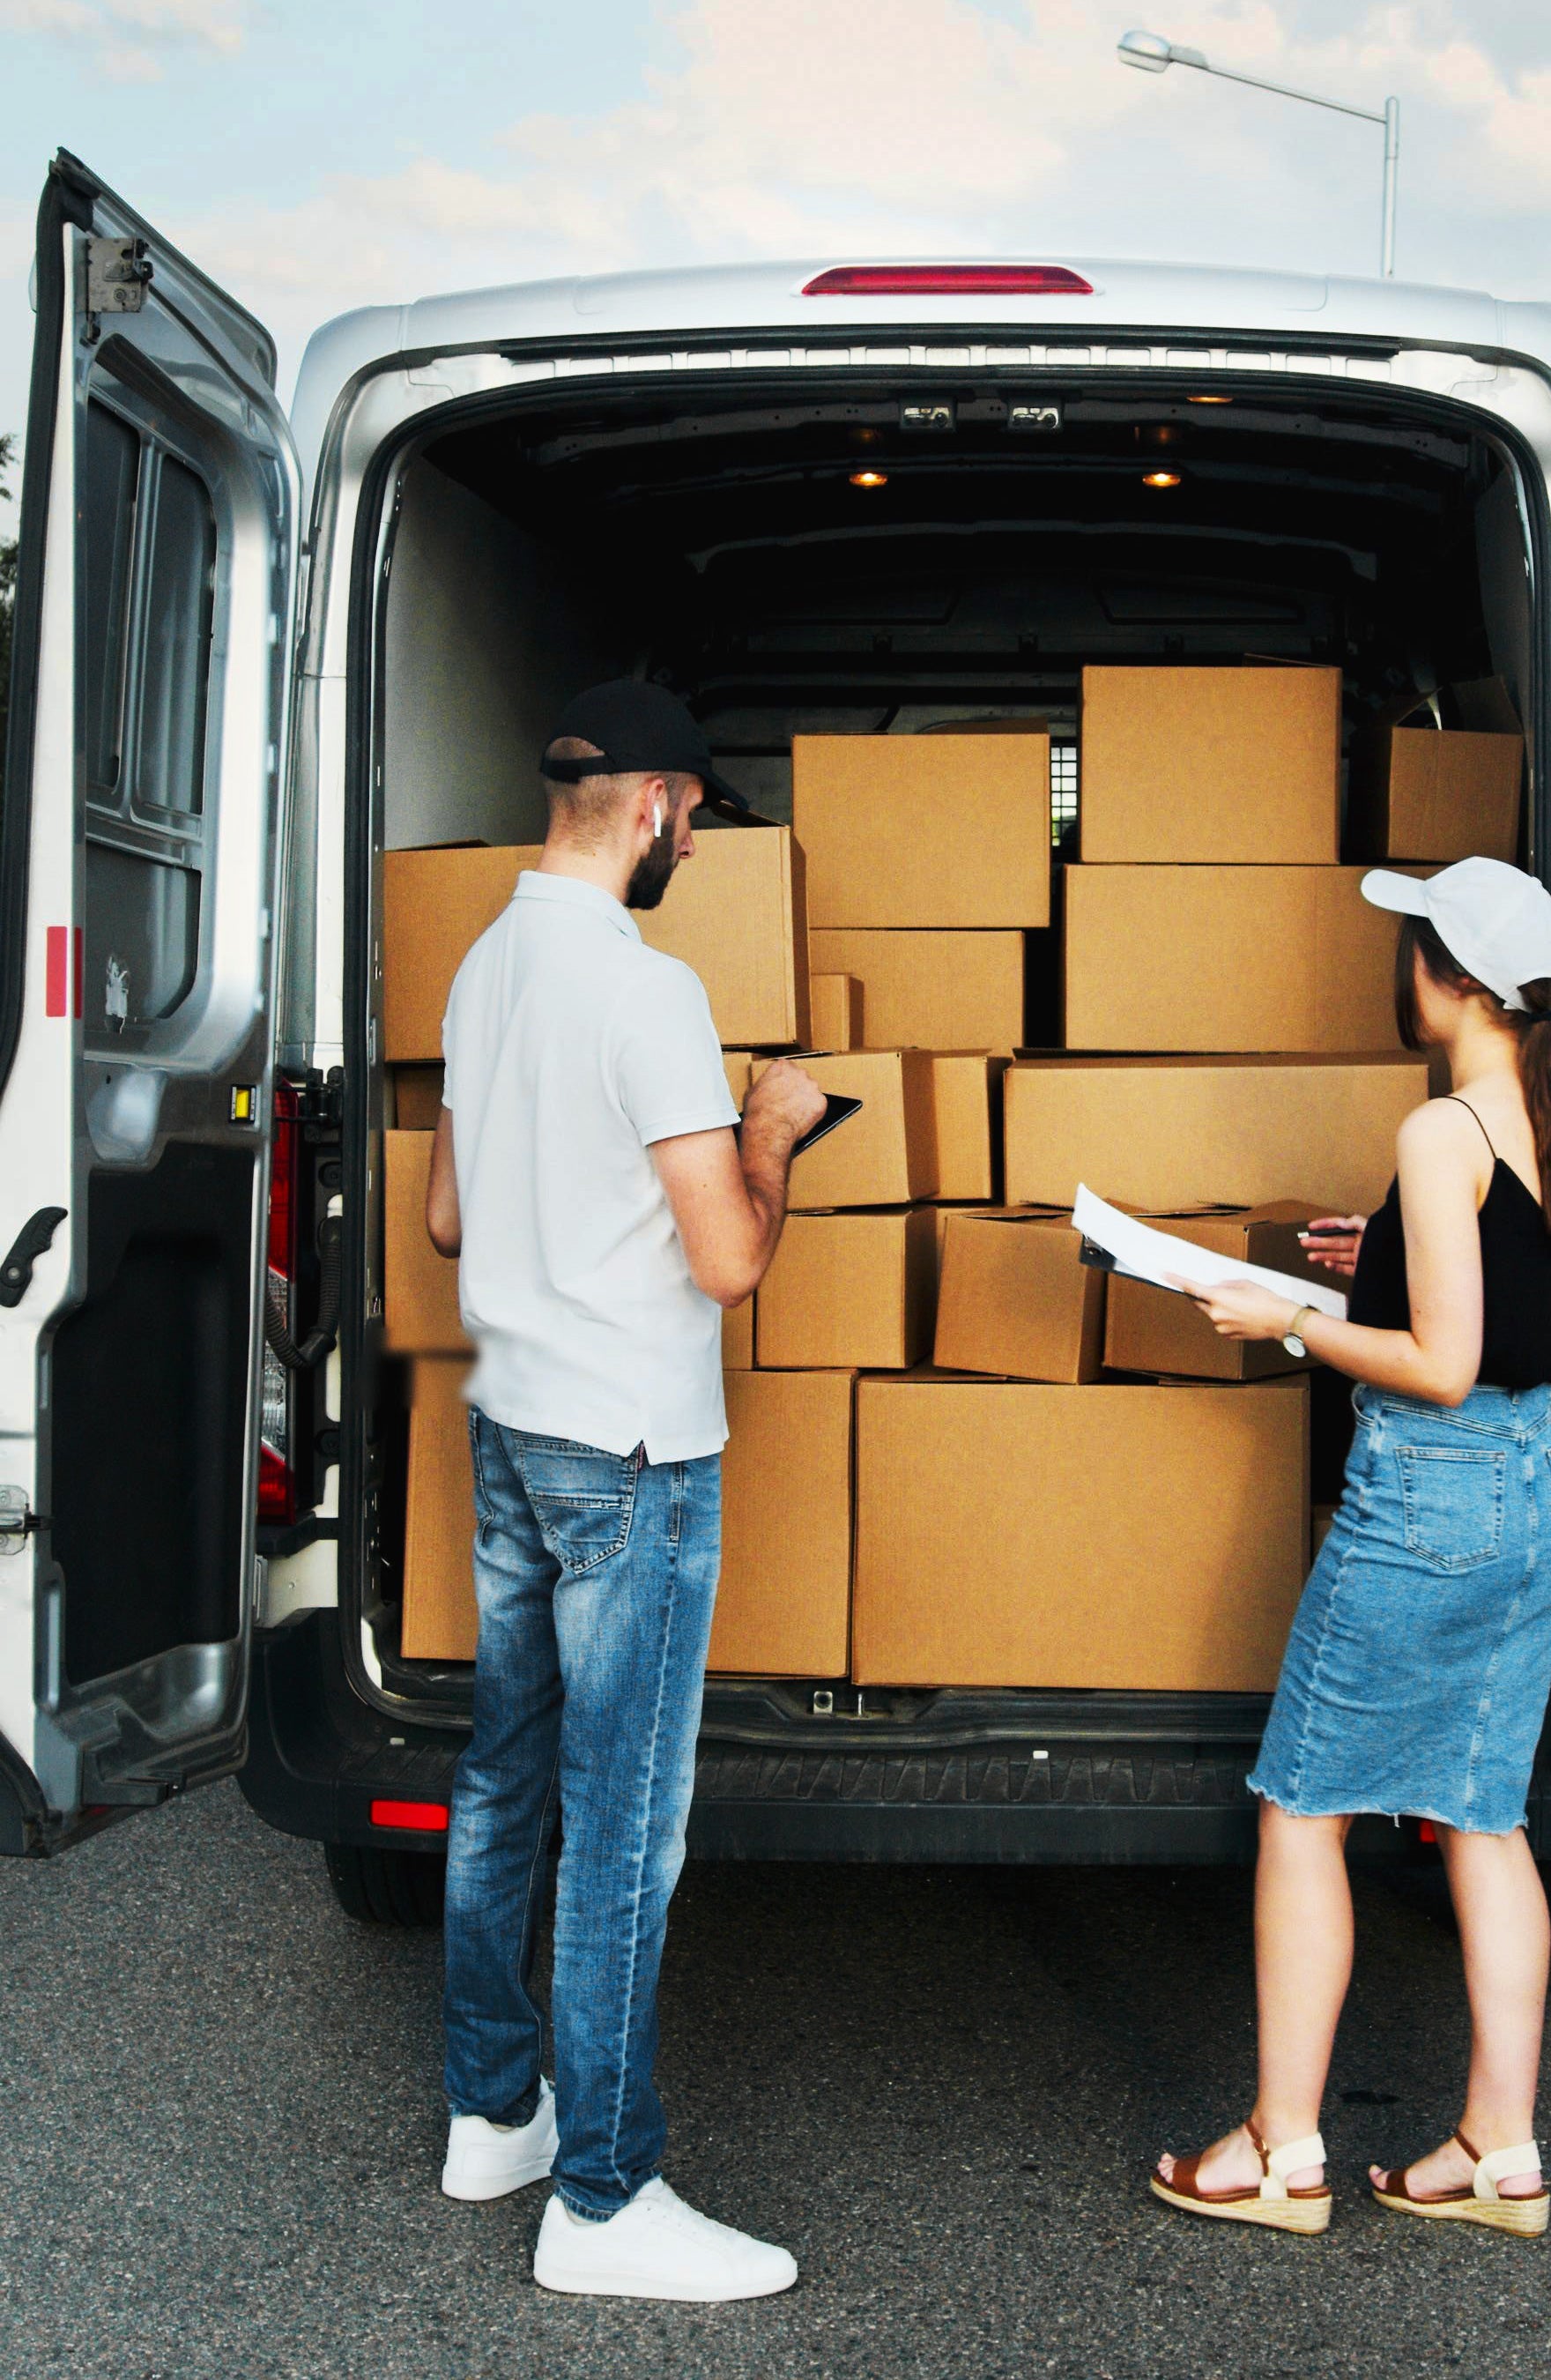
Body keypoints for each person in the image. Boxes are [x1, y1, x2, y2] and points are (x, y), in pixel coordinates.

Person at [423, 677, 826, 2300]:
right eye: (697, 817)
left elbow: (448, 1223)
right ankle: (601, 2203)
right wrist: (774, 1129)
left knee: (506, 1780)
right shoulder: (645, 992)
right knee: (624, 1831)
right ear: (659, 804)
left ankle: (492, 2113)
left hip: (512, 1425)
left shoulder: (481, 965)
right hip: (633, 1460)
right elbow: (728, 1261)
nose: (692, 841)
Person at [1151, 857, 1551, 2242]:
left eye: (1413, 943)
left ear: (1454, 978)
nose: (1399, 963)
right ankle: (1498, 2153)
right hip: (1536, 1502)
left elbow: (1439, 1362)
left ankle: (1283, 2152)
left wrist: (1282, 1318)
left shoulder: (1441, 1133)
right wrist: (1388, 1258)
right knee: (1486, 1819)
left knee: (1305, 1810)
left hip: (1428, 1507)